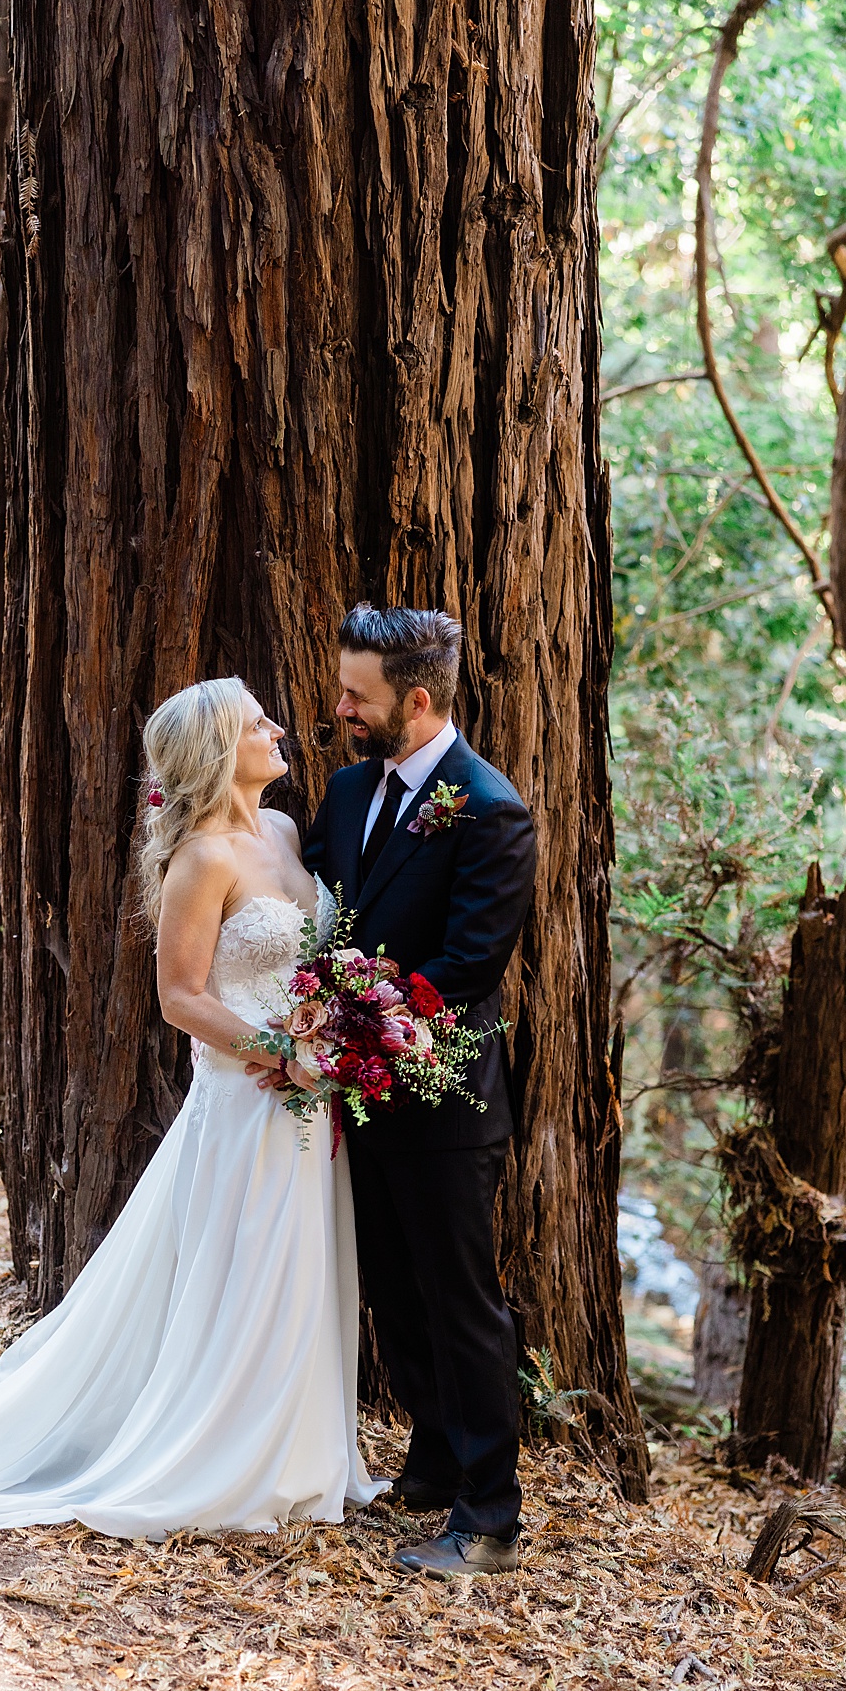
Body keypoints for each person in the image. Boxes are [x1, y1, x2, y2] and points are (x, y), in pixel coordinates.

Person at [0, 678, 385, 1536]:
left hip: (309, 1100)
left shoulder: (287, 831)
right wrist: (281, 1054)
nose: (277, 727)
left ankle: (299, 1452)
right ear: (220, 748)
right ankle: (222, 1452)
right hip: (245, 1100)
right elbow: (181, 998)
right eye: (256, 720)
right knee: (244, 1269)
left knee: (297, 1269)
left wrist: (330, 1032)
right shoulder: (201, 859)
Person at [298, 604, 536, 1578]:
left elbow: (468, 964)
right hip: (362, 1097)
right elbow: (315, 904)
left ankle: (491, 1517)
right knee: (394, 1297)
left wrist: (353, 1006)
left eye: (358, 695)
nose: (342, 708)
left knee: (460, 1302)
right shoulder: (350, 791)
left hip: (445, 1106)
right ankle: (433, 1465)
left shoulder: (489, 809)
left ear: (418, 700)